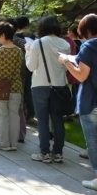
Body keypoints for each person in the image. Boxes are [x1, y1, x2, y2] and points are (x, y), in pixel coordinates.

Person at [58, 14, 97, 192]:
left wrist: (65, 61)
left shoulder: (87, 47)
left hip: (90, 100)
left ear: (86, 29)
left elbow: (81, 75)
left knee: (93, 142)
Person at [25, 16, 70, 163]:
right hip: (59, 86)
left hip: (40, 85)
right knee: (58, 120)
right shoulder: (65, 44)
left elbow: (31, 67)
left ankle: (44, 152)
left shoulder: (38, 43)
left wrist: (27, 52)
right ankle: (58, 152)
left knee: (43, 120)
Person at [0, 22, 23, 151]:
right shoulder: (19, 51)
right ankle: (14, 143)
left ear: (3, 35)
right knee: (14, 115)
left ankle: (4, 142)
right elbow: (19, 68)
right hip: (15, 86)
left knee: (2, 115)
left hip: (0, 86)